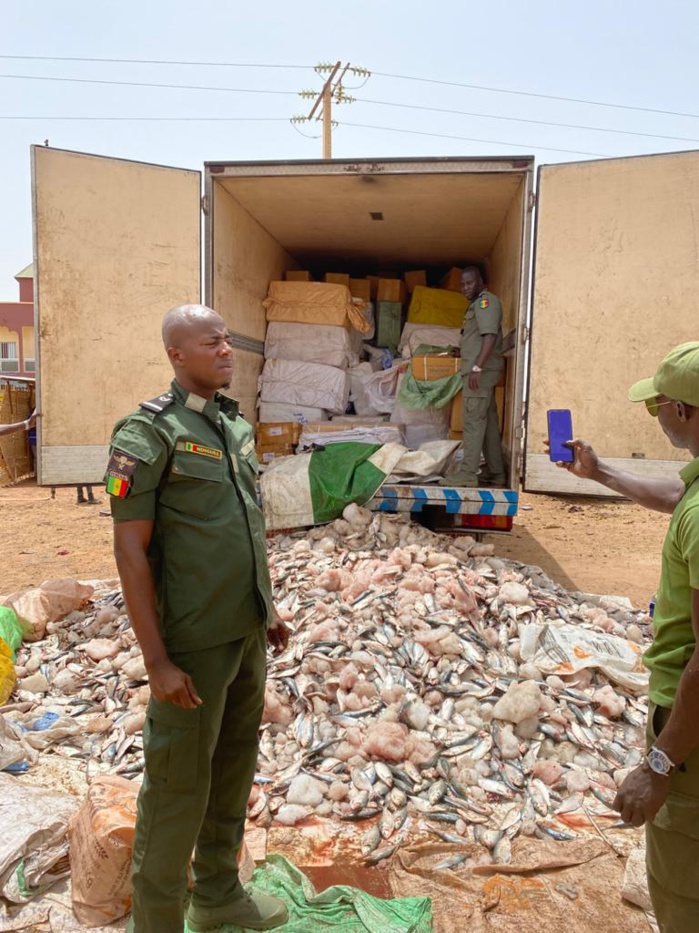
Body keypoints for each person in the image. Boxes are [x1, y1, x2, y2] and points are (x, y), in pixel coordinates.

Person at [107, 304, 290, 933]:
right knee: (176, 786)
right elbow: (130, 551)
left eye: (227, 341)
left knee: (233, 767)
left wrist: (265, 608)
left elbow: (239, 524)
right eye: (210, 342)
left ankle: (216, 896)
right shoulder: (147, 433)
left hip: (242, 633)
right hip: (191, 643)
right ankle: (156, 922)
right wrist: (156, 660)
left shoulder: (231, 428)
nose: (225, 350)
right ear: (175, 355)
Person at [551, 341, 699, 933]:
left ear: (684, 412)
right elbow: (677, 497)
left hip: (688, 730)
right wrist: (600, 470)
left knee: (684, 890)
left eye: (656, 405)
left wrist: (660, 766)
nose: (655, 414)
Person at [441, 266, 506, 488]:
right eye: (462, 284)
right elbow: (479, 339)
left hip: (480, 373)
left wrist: (477, 367)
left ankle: (468, 473)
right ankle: (497, 473)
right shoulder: (477, 304)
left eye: (469, 283)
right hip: (481, 370)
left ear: (481, 282)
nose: (465, 288)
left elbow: (490, 336)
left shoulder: (485, 302)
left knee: (472, 422)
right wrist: (463, 352)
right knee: (486, 424)